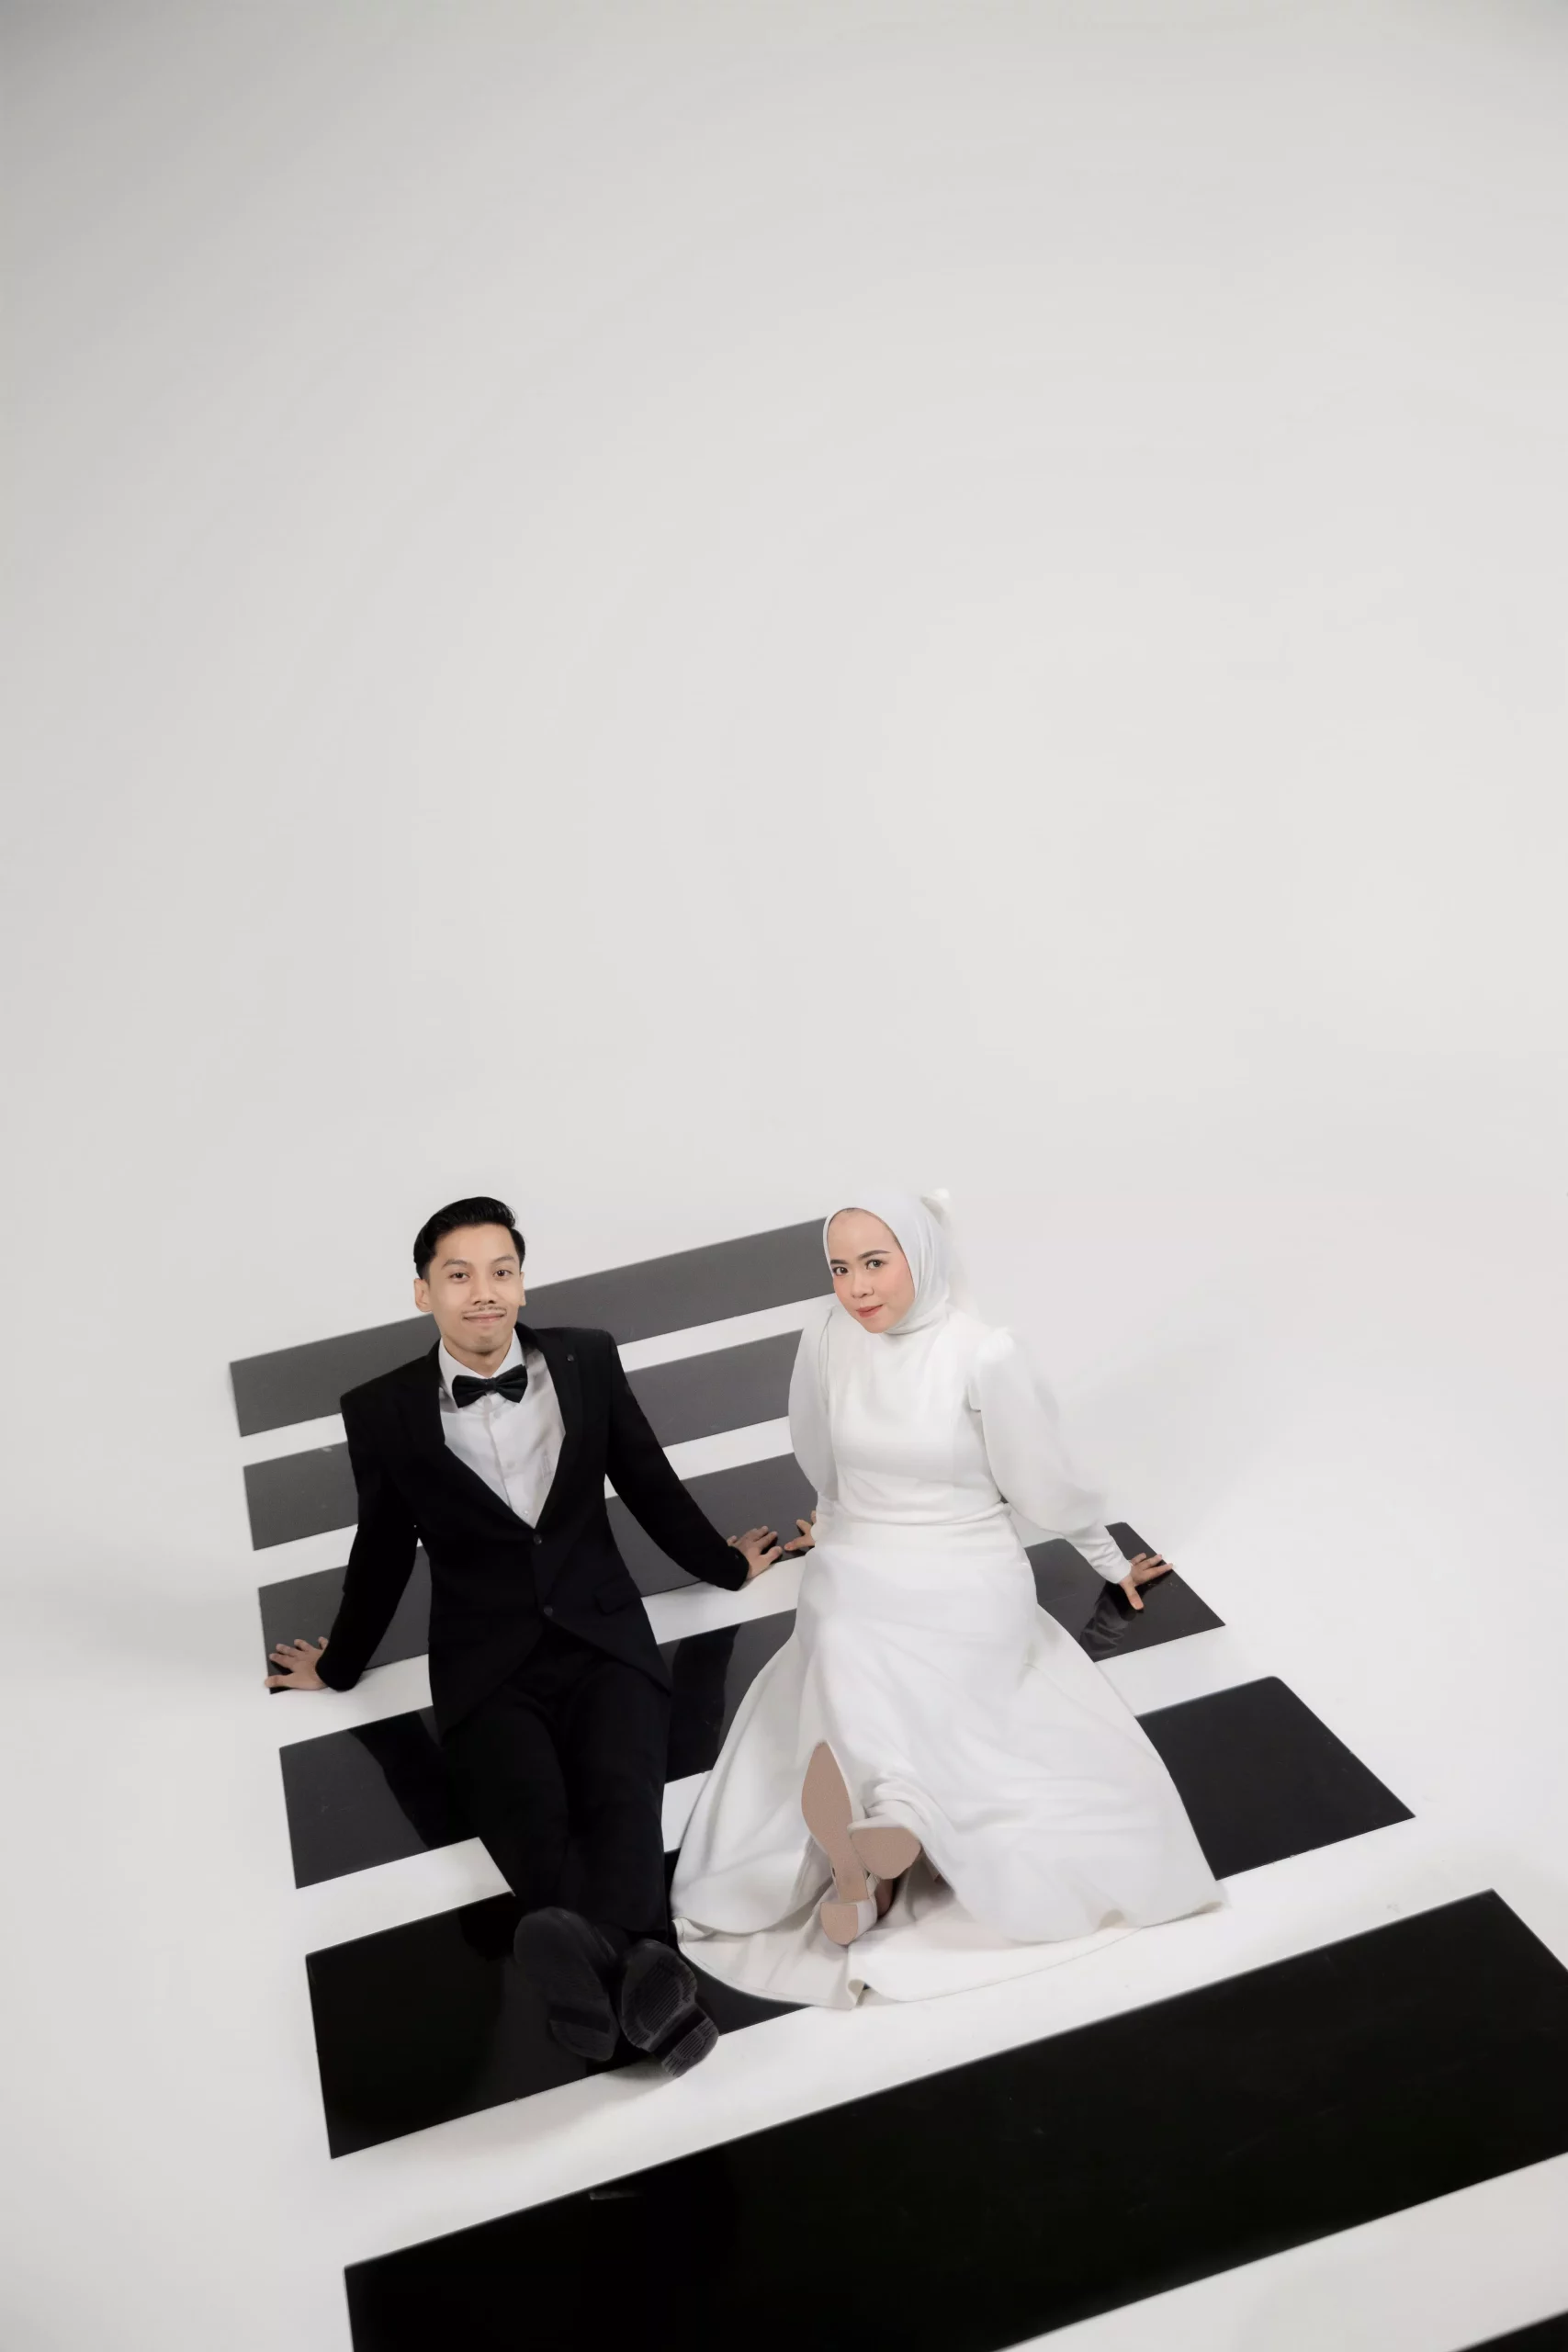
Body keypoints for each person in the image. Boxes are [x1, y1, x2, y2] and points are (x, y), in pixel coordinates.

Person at [265, 1195, 781, 2075]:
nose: (484, 1292)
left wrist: (726, 1566)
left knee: (622, 1807)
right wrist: (341, 1663)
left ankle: (598, 1996)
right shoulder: (382, 1410)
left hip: (605, 1641)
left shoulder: (586, 1359)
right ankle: (656, 1993)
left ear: (522, 1282)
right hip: (484, 1664)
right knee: (532, 1826)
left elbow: (648, 1479)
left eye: (501, 1271)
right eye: (459, 1275)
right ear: (423, 1292)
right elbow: (381, 1548)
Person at [671, 1191, 1221, 2008]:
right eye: (839, 1268)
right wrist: (831, 1523)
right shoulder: (826, 1334)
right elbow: (819, 1451)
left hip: (966, 1565)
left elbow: (1044, 1482)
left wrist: (1111, 1563)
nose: (855, 1288)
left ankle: (876, 1848)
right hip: (859, 1555)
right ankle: (888, 1831)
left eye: (874, 1263)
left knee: (906, 1664)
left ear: (920, 1256)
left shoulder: (982, 1354)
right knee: (845, 1644)